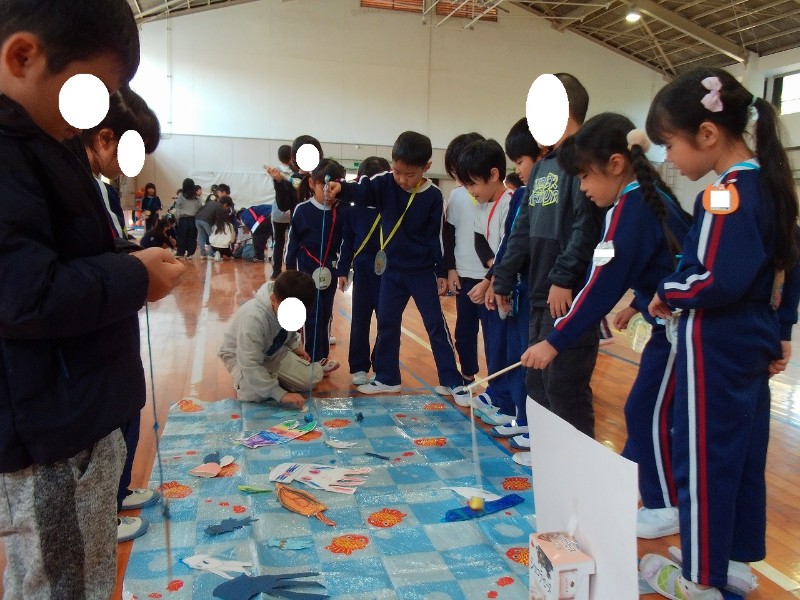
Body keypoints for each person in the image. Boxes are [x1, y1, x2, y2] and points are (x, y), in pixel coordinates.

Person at [0, 2, 185, 598]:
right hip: (51, 429)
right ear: (22, 57)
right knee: (64, 583)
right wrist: (134, 276)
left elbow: (65, 253)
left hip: (77, 411)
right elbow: (24, 294)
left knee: (77, 571)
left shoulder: (44, 143)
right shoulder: (15, 152)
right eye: (91, 92)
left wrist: (130, 261)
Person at [639, 68, 800, 600]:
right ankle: (730, 560)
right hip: (750, 338)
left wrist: (669, 290)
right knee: (741, 454)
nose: (670, 159)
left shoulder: (725, 193)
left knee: (702, 458)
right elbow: (789, 264)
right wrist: (781, 327)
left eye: (670, 145)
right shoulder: (770, 184)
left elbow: (715, 278)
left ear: (707, 134)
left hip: (716, 344)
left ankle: (701, 578)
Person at [519, 113, 692, 538]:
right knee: (648, 410)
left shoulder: (630, 208)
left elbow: (600, 285)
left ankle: (664, 505)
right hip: (669, 325)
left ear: (615, 165)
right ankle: (650, 495)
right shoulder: (645, 200)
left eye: (584, 177)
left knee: (647, 410)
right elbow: (665, 262)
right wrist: (638, 303)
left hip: (681, 330)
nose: (582, 188)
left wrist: (554, 341)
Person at [77, 85, 169, 541]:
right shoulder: (75, 186)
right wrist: (135, 268)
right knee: (108, 419)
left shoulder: (105, 189)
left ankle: (119, 489)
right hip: (96, 323)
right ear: (104, 137)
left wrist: (139, 259)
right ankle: (105, 510)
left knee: (130, 402)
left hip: (119, 315)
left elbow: (112, 245)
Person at [493, 73, 605, 442]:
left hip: (566, 293)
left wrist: (564, 278)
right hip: (539, 291)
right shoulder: (543, 166)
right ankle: (545, 450)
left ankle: (576, 461)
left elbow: (585, 227)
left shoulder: (585, 161)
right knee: (537, 378)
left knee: (564, 384)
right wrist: (503, 277)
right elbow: (522, 228)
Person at [328, 131, 469, 405]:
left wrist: (441, 271)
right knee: (387, 324)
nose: (402, 179)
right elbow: (362, 190)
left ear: (427, 167)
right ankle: (387, 377)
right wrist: (341, 189)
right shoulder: (385, 183)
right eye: (397, 171)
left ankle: (452, 380)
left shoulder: (433, 196)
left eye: (410, 174)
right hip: (391, 271)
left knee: (435, 325)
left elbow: (436, 238)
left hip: (421, 272)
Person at [484, 118, 545, 447]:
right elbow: (511, 241)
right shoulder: (523, 194)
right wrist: (501, 281)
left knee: (529, 361)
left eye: (521, 161)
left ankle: (532, 425)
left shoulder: (546, 194)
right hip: (517, 290)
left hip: (536, 291)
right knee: (514, 355)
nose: (518, 170)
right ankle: (521, 418)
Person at [453, 138, 515, 425]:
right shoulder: (482, 204)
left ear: (493, 174)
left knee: (504, 344)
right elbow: (481, 243)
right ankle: (497, 391)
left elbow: (509, 247)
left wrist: (493, 279)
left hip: (506, 286)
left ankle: (508, 402)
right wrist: (492, 275)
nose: (470, 191)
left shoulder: (510, 202)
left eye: (473, 184)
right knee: (492, 342)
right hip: (495, 279)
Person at [218, 271, 327, 409]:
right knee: (254, 395)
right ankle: (257, 380)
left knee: (311, 378)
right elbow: (249, 362)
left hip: (273, 352)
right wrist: (281, 394)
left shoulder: (286, 306)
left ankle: (270, 377)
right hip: (240, 356)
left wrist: (295, 346)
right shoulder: (253, 318)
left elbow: (289, 331)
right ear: (273, 299)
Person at [442, 132, 489, 401]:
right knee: (465, 332)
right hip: (464, 275)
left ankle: (498, 387)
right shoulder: (457, 196)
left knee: (493, 336)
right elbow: (449, 235)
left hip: (490, 279)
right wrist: (450, 269)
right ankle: (468, 376)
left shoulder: (495, 195)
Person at [285, 159, 346, 367]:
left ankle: (321, 358)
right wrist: (289, 271)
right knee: (309, 315)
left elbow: (344, 243)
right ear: (312, 183)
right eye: (323, 187)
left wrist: (342, 270)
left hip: (329, 272)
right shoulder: (302, 210)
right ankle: (308, 359)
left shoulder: (341, 211)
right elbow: (292, 243)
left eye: (333, 187)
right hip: (305, 272)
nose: (329, 193)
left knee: (325, 314)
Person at [337, 156, 391, 385]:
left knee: (386, 319)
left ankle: (382, 365)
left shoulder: (391, 208)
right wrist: (342, 270)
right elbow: (346, 242)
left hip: (387, 269)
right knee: (360, 319)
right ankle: (359, 366)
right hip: (361, 268)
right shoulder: (352, 211)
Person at [270, 144, 294, 278]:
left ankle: (276, 271)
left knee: (278, 242)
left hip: (278, 212)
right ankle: (291, 269)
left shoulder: (275, 171)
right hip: (292, 211)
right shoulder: (295, 171)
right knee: (293, 242)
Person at [195, 187, 226, 260]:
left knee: (201, 236)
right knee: (212, 237)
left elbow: (200, 210)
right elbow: (218, 217)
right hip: (207, 220)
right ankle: (211, 254)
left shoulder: (209, 203)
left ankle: (202, 254)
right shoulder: (219, 205)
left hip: (197, 219)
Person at [174, 177, 201, 258]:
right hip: (193, 219)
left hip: (183, 219)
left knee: (181, 236)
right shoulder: (196, 198)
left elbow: (177, 207)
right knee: (192, 237)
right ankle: (190, 253)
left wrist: (177, 218)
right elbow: (199, 208)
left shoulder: (181, 196)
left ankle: (180, 253)